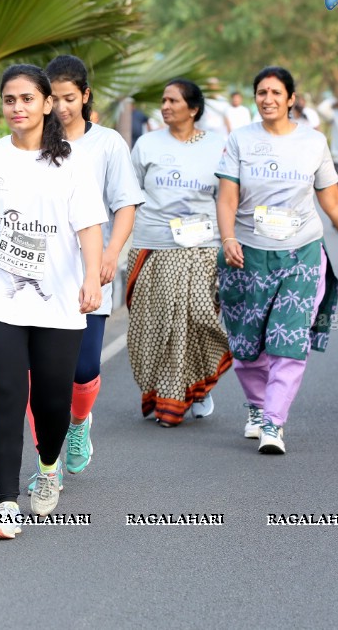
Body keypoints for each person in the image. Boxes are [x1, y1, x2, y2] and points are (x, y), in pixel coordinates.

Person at [0, 64, 106, 539]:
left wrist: (92, 282)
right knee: (7, 397)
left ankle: (50, 464)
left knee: (52, 403)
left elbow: (89, 228)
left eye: (27, 99)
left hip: (58, 300)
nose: (17, 108)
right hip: (0, 300)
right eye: (10, 100)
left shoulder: (72, 162)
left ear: (46, 104)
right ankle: (5, 504)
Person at [216, 66, 338, 454]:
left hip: (301, 253)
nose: (268, 99)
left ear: (291, 99)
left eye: (276, 93)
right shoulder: (239, 140)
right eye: (261, 92)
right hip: (247, 255)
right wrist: (228, 238)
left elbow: (334, 202)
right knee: (247, 343)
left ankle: (274, 423)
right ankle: (257, 407)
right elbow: (227, 197)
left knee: (288, 339)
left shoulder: (313, 142)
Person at [17, 55, 144, 492]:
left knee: (84, 369)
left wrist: (110, 253)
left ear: (86, 96)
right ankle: (46, 466)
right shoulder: (29, 141)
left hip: (91, 275)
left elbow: (125, 204)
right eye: (54, 98)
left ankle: (78, 421)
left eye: (70, 98)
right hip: (37, 277)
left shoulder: (107, 145)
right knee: (39, 377)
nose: (62, 107)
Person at [127, 78, 232, 427]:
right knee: (159, 325)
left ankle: (196, 385)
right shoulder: (146, 144)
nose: (165, 106)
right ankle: (172, 392)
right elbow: (130, 195)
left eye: (173, 100)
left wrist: (231, 240)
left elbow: (228, 198)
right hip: (153, 245)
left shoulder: (218, 147)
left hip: (201, 248)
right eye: (163, 100)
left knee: (199, 318)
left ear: (194, 109)